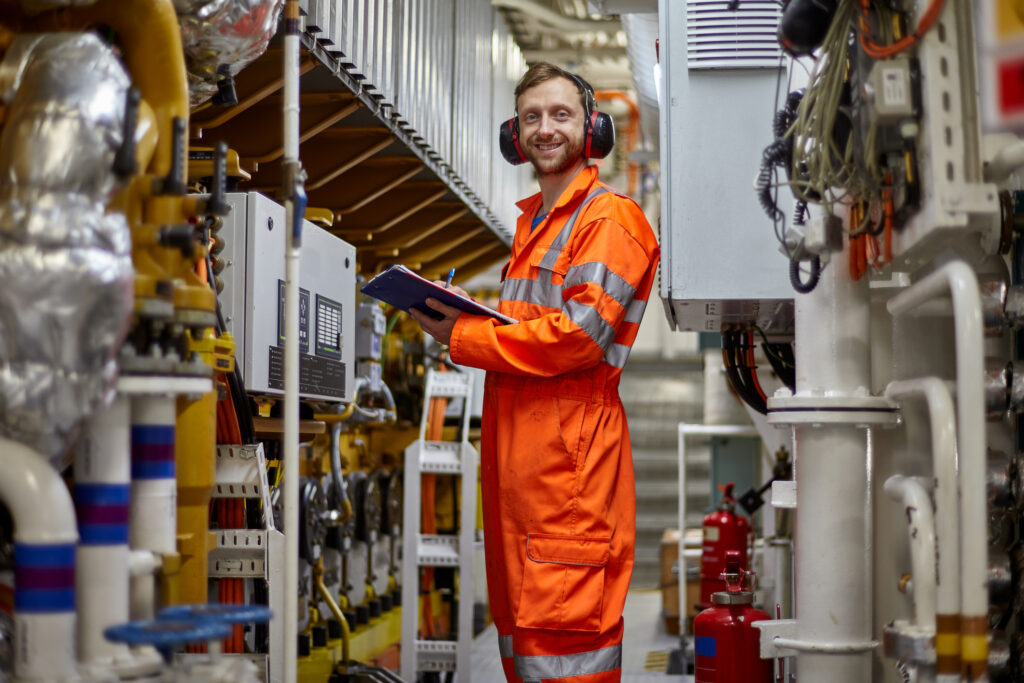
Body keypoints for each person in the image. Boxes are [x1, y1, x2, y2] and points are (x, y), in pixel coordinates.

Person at [409, 61, 660, 683]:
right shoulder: (534, 225)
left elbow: (578, 336)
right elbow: (530, 329)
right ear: (513, 135)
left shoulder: (608, 219)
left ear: (593, 129)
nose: (545, 129)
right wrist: (461, 315)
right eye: (531, 118)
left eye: (561, 114)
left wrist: (465, 334)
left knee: (566, 651)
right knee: (525, 648)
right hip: (520, 471)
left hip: (567, 478)